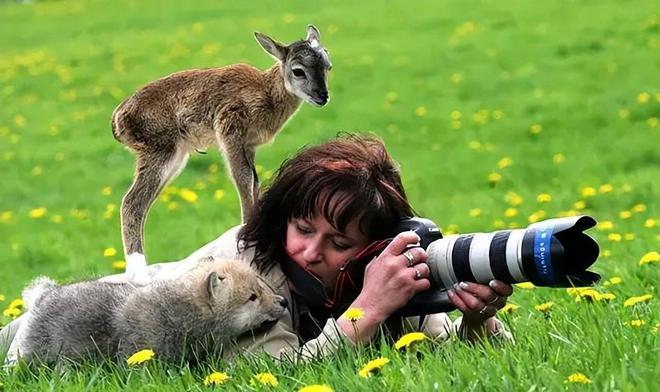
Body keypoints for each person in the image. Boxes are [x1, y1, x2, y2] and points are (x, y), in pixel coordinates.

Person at [1, 134, 513, 362]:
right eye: (303, 228)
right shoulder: (246, 274)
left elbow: (455, 355)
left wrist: (477, 319)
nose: (311, 251)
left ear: (371, 248)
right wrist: (368, 311)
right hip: (97, 309)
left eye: (339, 242)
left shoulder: (388, 267)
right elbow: (280, 375)